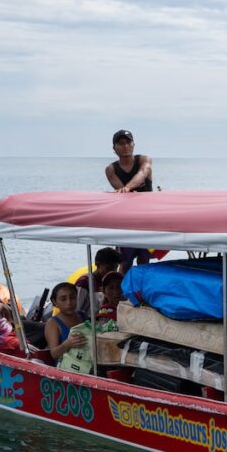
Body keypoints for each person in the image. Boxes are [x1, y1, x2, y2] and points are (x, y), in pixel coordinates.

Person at [104, 129, 155, 272]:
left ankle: (143, 293)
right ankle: (122, 293)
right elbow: (123, 194)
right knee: (125, 263)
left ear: (133, 144)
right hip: (127, 222)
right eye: (120, 143)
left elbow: (143, 173)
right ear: (114, 148)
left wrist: (127, 188)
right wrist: (127, 190)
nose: (125, 146)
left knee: (145, 263)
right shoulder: (111, 169)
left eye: (128, 142)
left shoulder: (144, 160)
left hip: (147, 222)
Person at [44, 282, 88, 363]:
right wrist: (68, 344)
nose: (69, 303)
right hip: (66, 369)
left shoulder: (83, 316)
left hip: (86, 363)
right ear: (54, 302)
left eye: (72, 297)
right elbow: (54, 354)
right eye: (63, 299)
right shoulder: (52, 323)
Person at [74, 247, 122, 315]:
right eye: (108, 268)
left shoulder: (113, 281)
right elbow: (75, 308)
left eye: (116, 268)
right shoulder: (84, 282)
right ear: (97, 264)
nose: (113, 271)